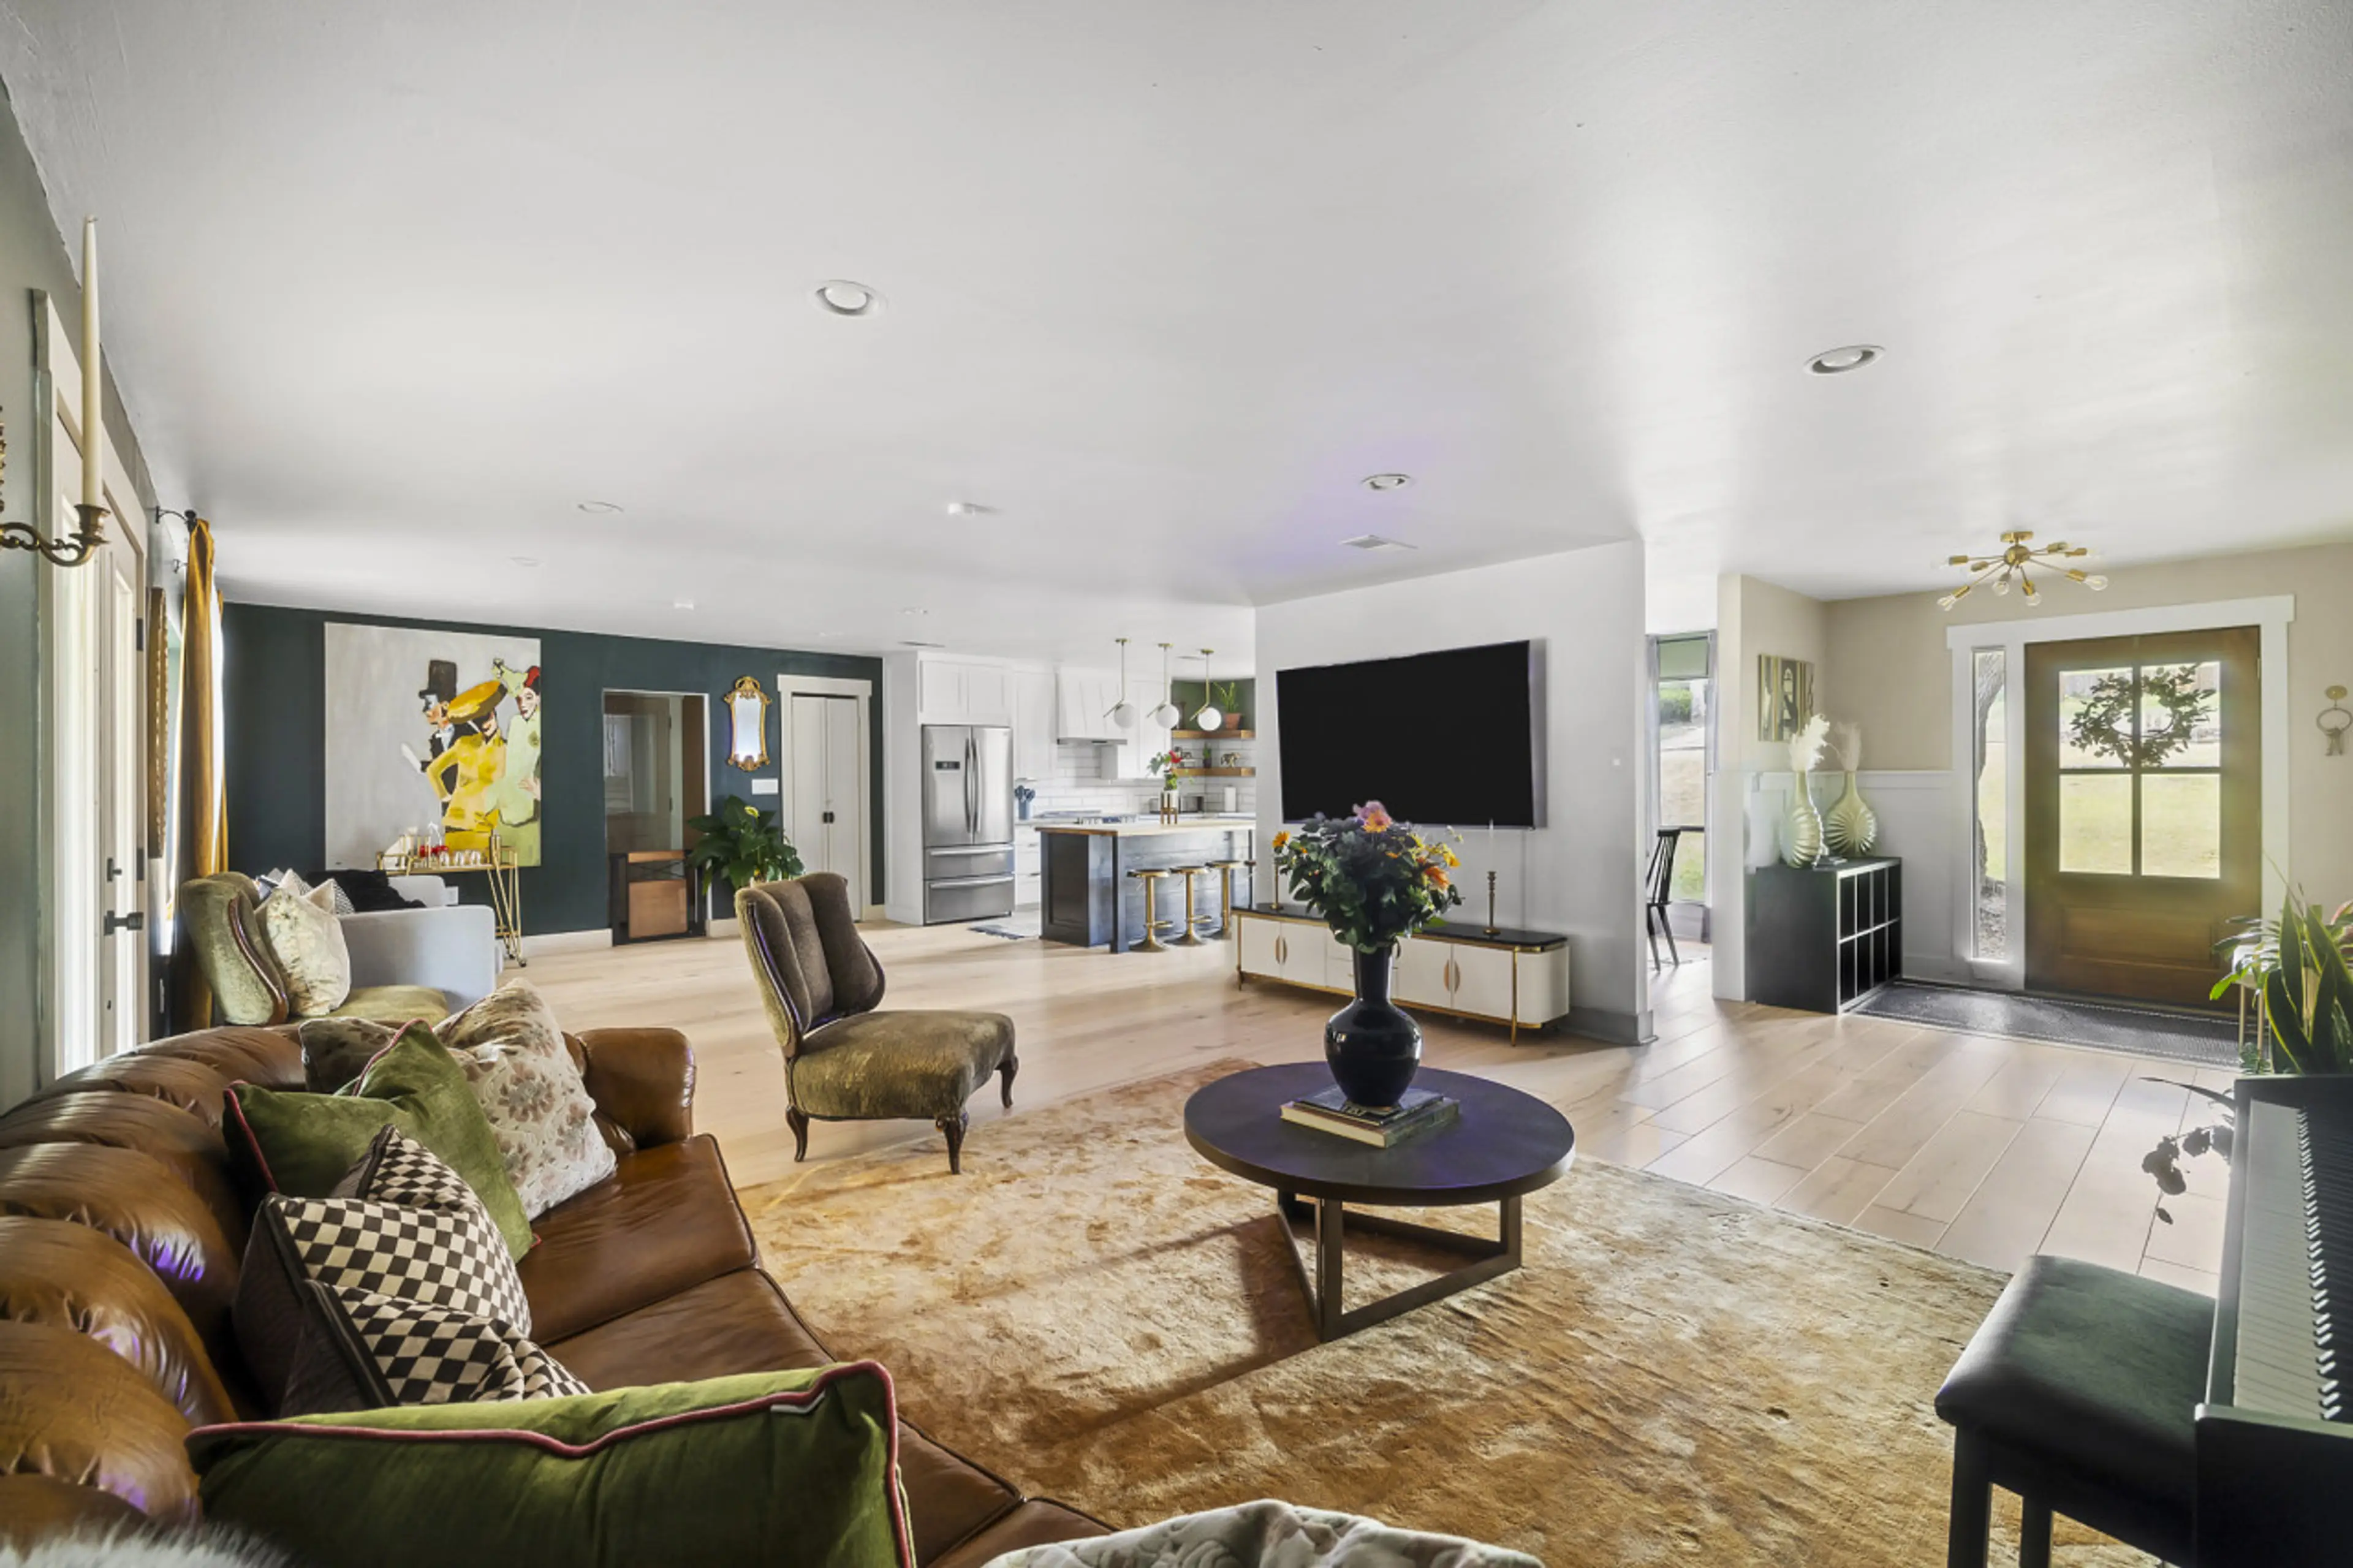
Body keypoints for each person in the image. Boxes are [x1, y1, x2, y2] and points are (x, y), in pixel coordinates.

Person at [487, 661, 542, 865]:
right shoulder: (515, 723)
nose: (523, 704)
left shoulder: (545, 724)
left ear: (539, 697)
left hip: (530, 814)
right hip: (505, 809)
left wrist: (543, 794)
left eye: (529, 697)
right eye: (519, 699)